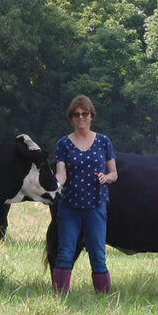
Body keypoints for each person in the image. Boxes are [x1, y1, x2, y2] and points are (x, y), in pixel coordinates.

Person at [51, 95, 118, 294]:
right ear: (71, 117)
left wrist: (106, 178)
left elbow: (114, 173)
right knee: (65, 253)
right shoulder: (63, 143)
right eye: (76, 114)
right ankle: (58, 298)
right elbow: (61, 173)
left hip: (96, 206)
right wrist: (55, 185)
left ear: (91, 116)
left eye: (84, 113)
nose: (81, 117)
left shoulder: (103, 142)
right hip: (69, 207)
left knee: (98, 255)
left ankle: (104, 299)